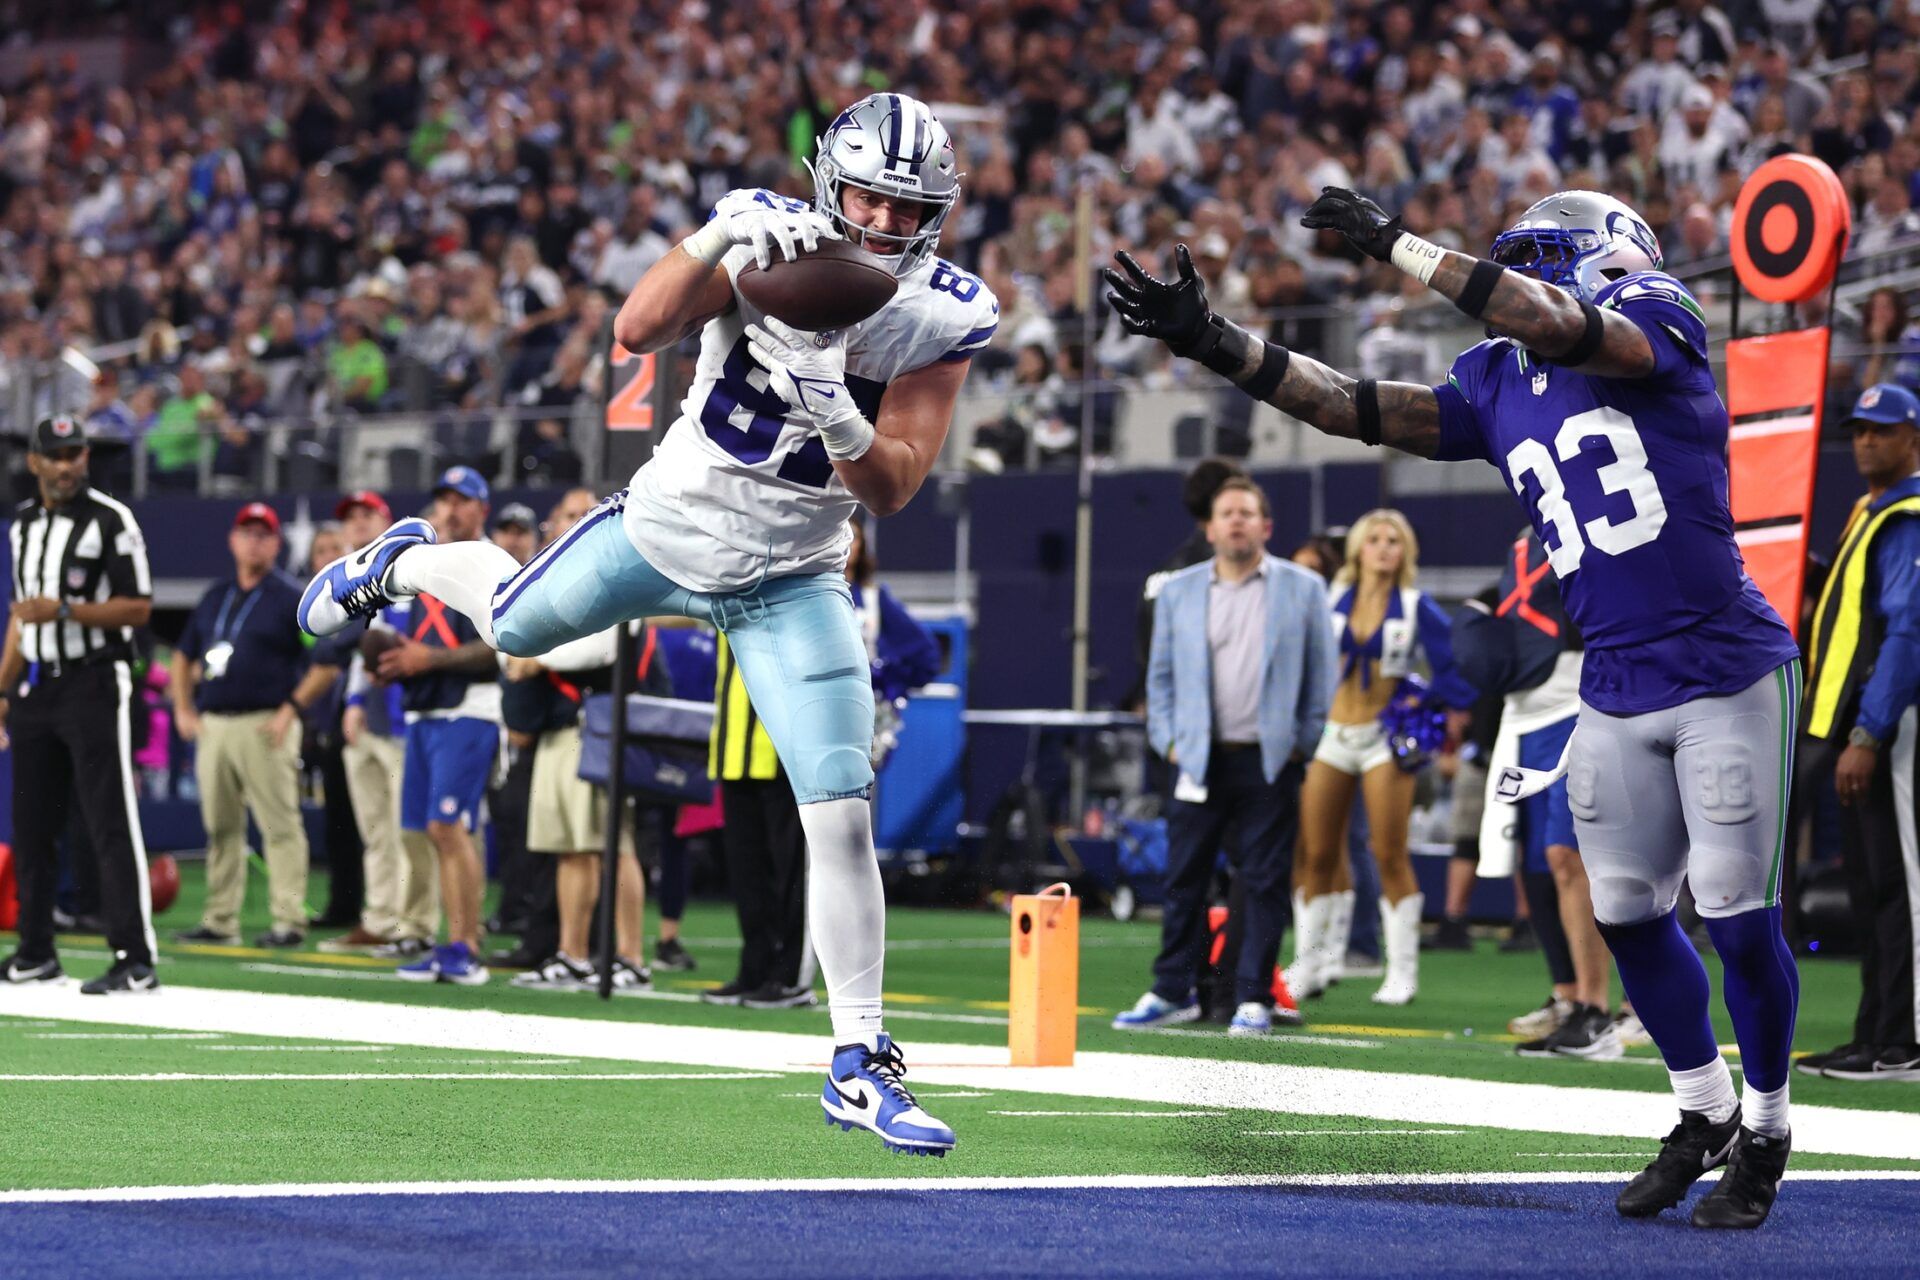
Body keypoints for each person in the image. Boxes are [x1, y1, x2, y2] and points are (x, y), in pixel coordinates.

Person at [298, 92, 993, 1158]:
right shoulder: (769, 240)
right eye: (869, 199)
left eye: (910, 209)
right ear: (826, 183)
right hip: (668, 528)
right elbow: (633, 329)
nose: (888, 227)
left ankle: (859, 1061)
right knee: (521, 620)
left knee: (840, 809)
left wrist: (836, 403)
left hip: (795, 578)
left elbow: (893, 485)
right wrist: (717, 231)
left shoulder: (945, 311)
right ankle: (402, 558)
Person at [1109, 187, 1803, 1227]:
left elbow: (1566, 324)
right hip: (1613, 674)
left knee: (1738, 911)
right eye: (1516, 259)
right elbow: (1348, 403)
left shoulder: (1660, 312)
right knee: (1622, 909)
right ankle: (1701, 1106)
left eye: (1540, 256)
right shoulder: (1492, 380)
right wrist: (1213, 340)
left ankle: (1769, 1124)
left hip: (1722, 664)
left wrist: (1397, 244)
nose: (1522, 279)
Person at [1115, 477, 1334, 1036]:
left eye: (1247, 512)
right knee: (1183, 878)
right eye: (1227, 512)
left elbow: (1321, 677)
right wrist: (1168, 740)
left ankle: (1253, 998)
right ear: (1210, 528)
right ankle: (1172, 991)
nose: (1236, 521)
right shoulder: (1179, 591)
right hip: (1194, 759)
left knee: (1263, 881)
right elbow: (1157, 677)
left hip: (1269, 761)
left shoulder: (1304, 589)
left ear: (1267, 526)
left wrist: (1300, 746)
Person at [1288, 510, 1476, 1007]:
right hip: (1331, 734)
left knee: (1388, 852)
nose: (1384, 547)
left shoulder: (1417, 606)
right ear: (1358, 549)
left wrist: (1423, 702)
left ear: (1405, 551)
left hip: (1383, 740)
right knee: (1317, 853)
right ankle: (1309, 962)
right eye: (1374, 538)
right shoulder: (1327, 598)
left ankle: (1402, 973)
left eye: (1394, 540)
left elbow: (1456, 671)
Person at [0, 415, 158, 993]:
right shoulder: (22, 525)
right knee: (31, 822)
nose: (67, 465)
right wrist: (1, 689)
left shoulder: (111, 521)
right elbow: (22, 619)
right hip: (36, 686)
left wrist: (66, 611)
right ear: (35, 462)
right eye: (56, 455)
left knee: (107, 820)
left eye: (75, 453)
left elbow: (139, 608)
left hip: (94, 682)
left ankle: (134, 958)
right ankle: (35, 951)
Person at [1457, 529, 1628, 1060]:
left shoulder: (1585, 519)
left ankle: (1601, 1010)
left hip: (1576, 703)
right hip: (1524, 713)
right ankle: (1573, 998)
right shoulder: (1521, 542)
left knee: (1568, 856)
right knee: (1535, 866)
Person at [1794, 385, 1920, 1084]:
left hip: (1891, 726)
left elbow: (1908, 630)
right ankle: (1875, 1031)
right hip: (1852, 721)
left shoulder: (1908, 513)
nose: (1867, 440)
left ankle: (1904, 1040)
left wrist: (1870, 734)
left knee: (1902, 883)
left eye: (1883, 430)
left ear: (1913, 437)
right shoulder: (1869, 511)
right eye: (1860, 430)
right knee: (1871, 883)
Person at [371, 466, 502, 986]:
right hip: (425, 712)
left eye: (461, 500)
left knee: (450, 826)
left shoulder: (492, 562)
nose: (449, 509)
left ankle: (467, 946)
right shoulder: (428, 566)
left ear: (481, 509)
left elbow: (503, 643)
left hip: (469, 708)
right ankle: (452, 943)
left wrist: (429, 661)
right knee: (432, 830)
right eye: (443, 499)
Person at [170, 503, 317, 948]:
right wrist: (183, 708)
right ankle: (220, 920)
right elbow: (183, 655)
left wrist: (291, 710)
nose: (255, 541)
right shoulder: (216, 595)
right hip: (215, 723)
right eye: (248, 533)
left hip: (265, 722)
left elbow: (323, 662)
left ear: (277, 542)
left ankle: (289, 920)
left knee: (279, 824)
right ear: (233, 540)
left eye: (264, 534)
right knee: (219, 825)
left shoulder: (292, 597)